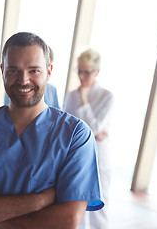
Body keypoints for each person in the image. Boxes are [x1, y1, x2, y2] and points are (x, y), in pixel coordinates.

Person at [0, 32, 104, 229]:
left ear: (49, 71)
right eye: (13, 70)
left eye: (34, 71)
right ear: (3, 70)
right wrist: (43, 199)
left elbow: (67, 220)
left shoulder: (76, 135)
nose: (23, 80)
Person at [64, 48, 114, 229]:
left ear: (97, 72)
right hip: (75, 157)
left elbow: (94, 128)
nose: (82, 76)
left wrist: (84, 100)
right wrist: (93, 132)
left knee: (100, 207)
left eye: (87, 72)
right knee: (77, 206)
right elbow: (65, 129)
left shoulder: (107, 96)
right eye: (79, 71)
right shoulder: (71, 95)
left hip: (99, 157)